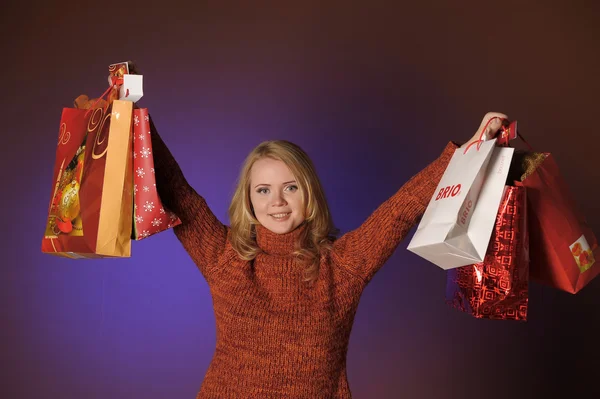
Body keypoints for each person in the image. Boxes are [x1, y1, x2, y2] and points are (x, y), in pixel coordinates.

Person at [143, 104, 507, 398]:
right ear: (249, 201)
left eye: (290, 188)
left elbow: (400, 210)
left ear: (309, 193)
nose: (278, 203)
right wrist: (131, 116)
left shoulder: (342, 264)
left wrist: (467, 153)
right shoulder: (224, 257)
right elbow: (177, 191)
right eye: (263, 191)